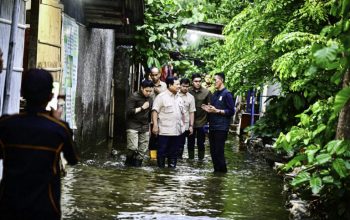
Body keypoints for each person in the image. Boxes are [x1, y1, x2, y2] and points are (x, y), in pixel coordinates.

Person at [0, 68, 79, 219]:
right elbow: (74, 159)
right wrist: (57, 120)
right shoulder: (59, 129)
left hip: (8, 207)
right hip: (45, 209)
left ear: (22, 93)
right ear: (50, 97)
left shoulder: (6, 125)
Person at [202, 72, 235, 173]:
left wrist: (218, 111)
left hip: (221, 127)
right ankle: (216, 173)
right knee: (213, 151)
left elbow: (231, 111)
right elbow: (213, 108)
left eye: (215, 80)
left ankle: (223, 173)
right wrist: (208, 109)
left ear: (222, 80)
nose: (214, 83)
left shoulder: (227, 94)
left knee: (219, 151)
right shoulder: (215, 94)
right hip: (213, 126)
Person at [151, 77, 184, 168]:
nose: (179, 86)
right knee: (161, 152)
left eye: (179, 84)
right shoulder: (161, 97)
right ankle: (160, 172)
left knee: (174, 153)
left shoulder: (179, 98)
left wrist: (183, 126)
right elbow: (155, 111)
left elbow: (182, 114)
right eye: (177, 84)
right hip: (164, 131)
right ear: (169, 85)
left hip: (176, 131)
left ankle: (171, 172)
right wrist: (155, 125)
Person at [125, 80, 154, 166]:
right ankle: (127, 165)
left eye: (150, 91)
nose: (148, 93)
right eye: (146, 91)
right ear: (142, 88)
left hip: (144, 125)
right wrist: (142, 107)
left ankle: (136, 168)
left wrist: (151, 126)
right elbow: (129, 112)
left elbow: (150, 112)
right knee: (133, 148)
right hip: (133, 125)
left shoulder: (150, 98)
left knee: (142, 150)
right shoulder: (133, 97)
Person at [188, 73, 211, 160]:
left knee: (201, 143)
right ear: (192, 82)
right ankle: (190, 160)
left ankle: (201, 160)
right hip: (190, 122)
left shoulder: (207, 92)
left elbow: (210, 106)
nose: (198, 83)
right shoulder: (188, 91)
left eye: (199, 81)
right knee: (190, 142)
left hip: (202, 121)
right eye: (195, 81)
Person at [148, 67, 167, 159]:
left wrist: (157, 91)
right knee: (152, 137)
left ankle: (161, 156)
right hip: (149, 115)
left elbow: (167, 98)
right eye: (153, 75)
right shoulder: (147, 84)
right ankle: (152, 158)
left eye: (156, 75)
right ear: (150, 75)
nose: (155, 77)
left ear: (160, 74)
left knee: (161, 136)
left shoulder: (165, 85)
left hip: (162, 116)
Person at [178, 78, 196, 159]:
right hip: (174, 124)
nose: (185, 88)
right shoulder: (175, 95)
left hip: (185, 125)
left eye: (187, 86)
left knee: (181, 144)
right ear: (180, 86)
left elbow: (192, 112)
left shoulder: (191, 97)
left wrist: (191, 126)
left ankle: (179, 160)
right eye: (184, 86)